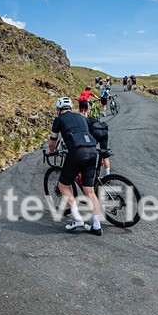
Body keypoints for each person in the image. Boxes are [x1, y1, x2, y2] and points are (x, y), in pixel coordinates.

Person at [48, 97, 103, 235]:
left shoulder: (59, 119)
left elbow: (52, 141)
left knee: (63, 186)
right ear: (71, 108)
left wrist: (53, 152)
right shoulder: (81, 117)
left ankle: (78, 219)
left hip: (77, 152)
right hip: (92, 150)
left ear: (58, 110)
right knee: (89, 191)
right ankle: (96, 226)